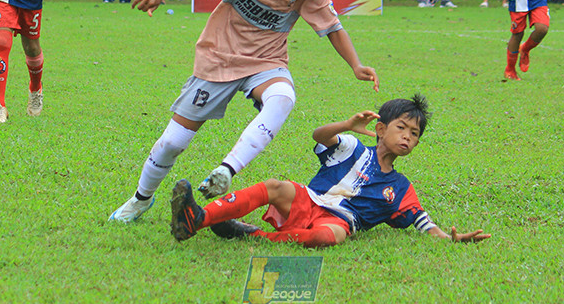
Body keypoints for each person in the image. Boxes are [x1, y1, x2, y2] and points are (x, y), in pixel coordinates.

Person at [109, 0, 379, 223]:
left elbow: (332, 26)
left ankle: (226, 170)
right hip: (219, 56)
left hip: (266, 61)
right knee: (171, 143)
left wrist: (355, 64)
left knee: (283, 97)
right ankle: (140, 198)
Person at [168, 95, 490, 248]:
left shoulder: (401, 188)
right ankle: (198, 218)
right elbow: (320, 136)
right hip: (310, 199)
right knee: (275, 186)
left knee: (328, 237)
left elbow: (424, 224)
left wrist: (452, 238)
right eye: (401, 128)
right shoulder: (351, 147)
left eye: (415, 134)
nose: (407, 137)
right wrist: (347, 125)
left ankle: (250, 233)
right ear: (379, 128)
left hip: (337, 221)